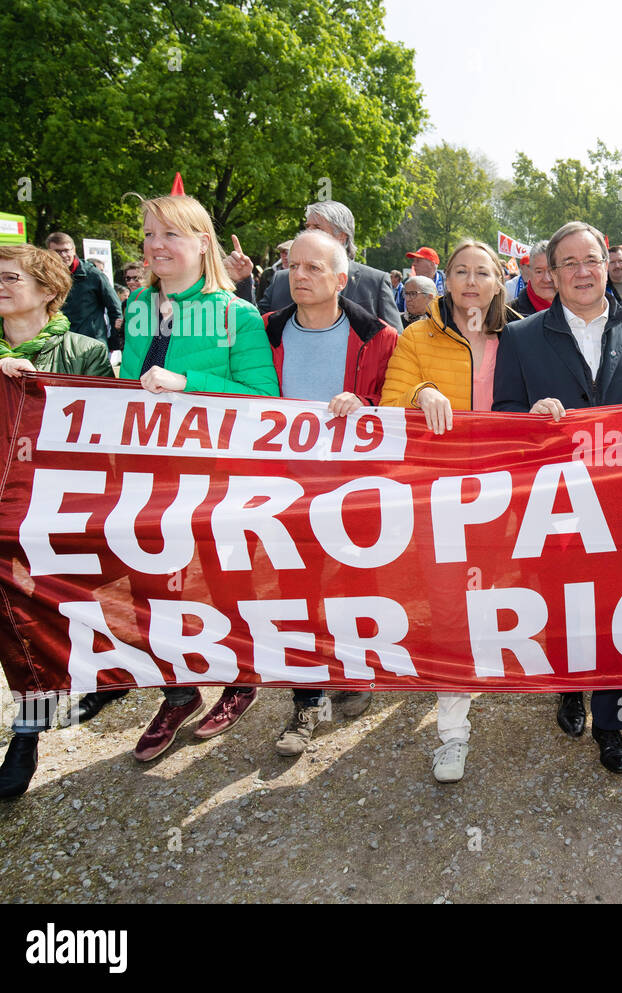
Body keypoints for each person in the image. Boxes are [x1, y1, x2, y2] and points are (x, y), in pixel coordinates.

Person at [493, 221, 622, 775]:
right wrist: (529, 419)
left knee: (616, 608)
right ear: (553, 274)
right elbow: (503, 416)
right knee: (566, 605)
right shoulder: (521, 338)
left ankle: (611, 724)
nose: (582, 271)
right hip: (556, 500)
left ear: (606, 262)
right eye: (569, 263)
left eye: (590, 259)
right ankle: (569, 685)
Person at [112, 194, 280, 763]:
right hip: (149, 472)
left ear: (201, 242)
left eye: (170, 235)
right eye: (149, 235)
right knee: (154, 585)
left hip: (215, 477)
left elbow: (264, 398)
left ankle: (240, 680)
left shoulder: (237, 314)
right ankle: (177, 692)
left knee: (221, 579)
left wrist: (186, 380)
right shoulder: (138, 305)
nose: (156, 245)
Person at [381, 239, 520, 783]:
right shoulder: (418, 335)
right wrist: (422, 391)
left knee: (515, 600)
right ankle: (452, 734)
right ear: (445, 280)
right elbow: (389, 405)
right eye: (459, 271)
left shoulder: (522, 336)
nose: (469, 281)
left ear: (496, 283)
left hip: (514, 498)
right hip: (442, 496)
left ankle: (558, 695)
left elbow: (547, 402)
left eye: (480, 272)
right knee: (450, 609)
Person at [0, 244, 115, 800]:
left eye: (10, 277)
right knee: (14, 627)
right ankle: (26, 735)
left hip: (58, 512)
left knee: (70, 613)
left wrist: (38, 391)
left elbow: (104, 433)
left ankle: (124, 683)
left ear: (47, 289)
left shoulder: (84, 350)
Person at [261, 228, 399, 753]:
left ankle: (356, 668)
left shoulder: (380, 338)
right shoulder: (263, 331)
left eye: (313, 267)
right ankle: (305, 700)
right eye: (293, 266)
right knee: (297, 591)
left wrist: (366, 408)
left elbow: (398, 407)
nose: (299, 275)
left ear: (342, 279)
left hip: (353, 490)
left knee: (356, 584)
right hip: (283, 490)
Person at [262, 202, 403, 329]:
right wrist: (243, 281)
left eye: (317, 228)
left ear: (341, 237)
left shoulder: (374, 282)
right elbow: (251, 329)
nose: (308, 233)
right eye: (307, 227)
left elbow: (395, 342)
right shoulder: (281, 280)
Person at [44, 232, 123, 345]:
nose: (63, 255)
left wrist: (114, 340)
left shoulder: (93, 275)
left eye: (66, 250)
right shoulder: (46, 277)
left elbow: (114, 308)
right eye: (57, 251)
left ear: (74, 250)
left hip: (91, 343)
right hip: (60, 344)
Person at [510, 240, 556, 317]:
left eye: (551, 271)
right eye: (539, 272)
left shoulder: (578, 307)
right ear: (530, 273)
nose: (547, 279)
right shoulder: (509, 314)